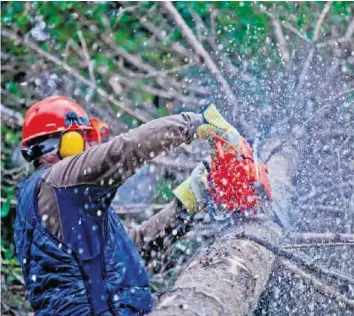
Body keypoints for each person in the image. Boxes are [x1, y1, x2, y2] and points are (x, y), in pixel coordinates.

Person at [15, 95, 235, 315]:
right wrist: (195, 123)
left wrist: (185, 205)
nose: (91, 146)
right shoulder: (59, 181)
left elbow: (127, 252)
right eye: (84, 138)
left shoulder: (61, 197)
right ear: (64, 142)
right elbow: (125, 150)